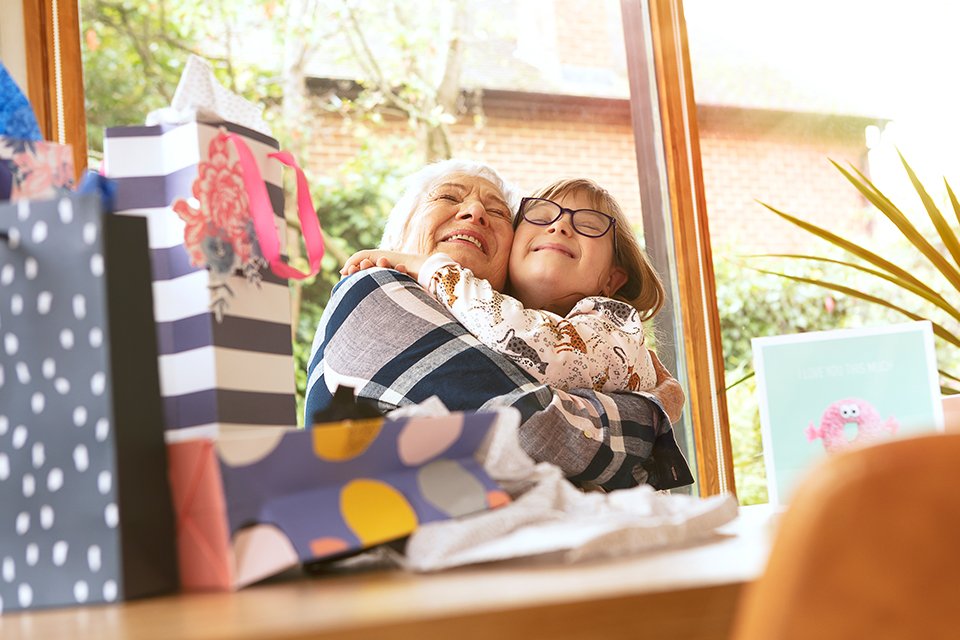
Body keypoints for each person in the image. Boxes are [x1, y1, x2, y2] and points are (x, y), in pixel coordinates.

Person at [305, 159, 692, 491]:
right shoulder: (377, 289)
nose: (474, 212)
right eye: (448, 197)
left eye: (498, 213)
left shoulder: (593, 321)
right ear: (399, 238)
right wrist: (657, 408)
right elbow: (538, 429)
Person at [341, 178, 664, 396]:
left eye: (589, 225)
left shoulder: (614, 322)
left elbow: (544, 348)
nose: (560, 225)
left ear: (612, 279)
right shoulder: (382, 296)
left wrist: (430, 266)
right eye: (540, 216)